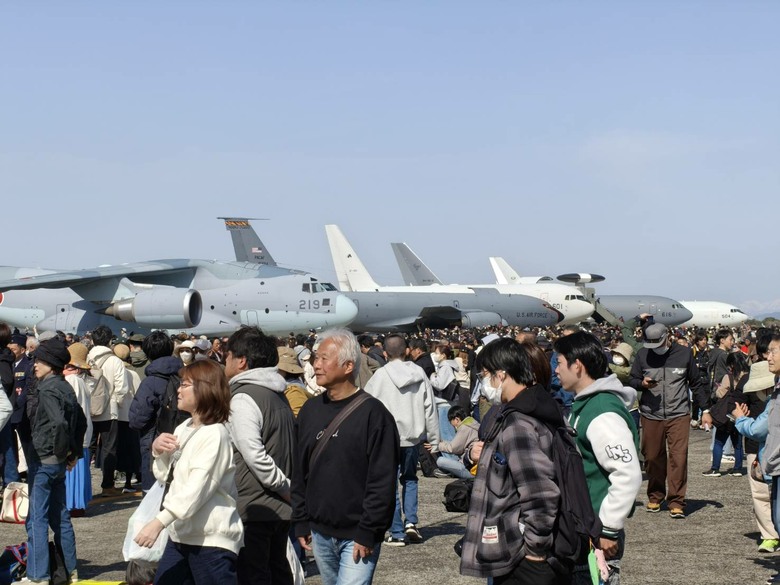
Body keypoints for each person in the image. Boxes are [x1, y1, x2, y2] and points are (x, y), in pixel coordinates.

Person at [292, 328, 399, 585]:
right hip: (319, 532)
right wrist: (301, 520)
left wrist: (368, 530)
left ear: (348, 365)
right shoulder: (310, 410)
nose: (316, 365)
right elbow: (299, 470)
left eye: (323, 358)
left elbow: (382, 480)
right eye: (315, 358)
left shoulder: (374, 415)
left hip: (357, 534)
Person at [460, 337, 569, 585]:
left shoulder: (518, 423)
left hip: (519, 553)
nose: (483, 382)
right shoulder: (528, 409)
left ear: (501, 374)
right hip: (511, 547)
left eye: (485, 374)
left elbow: (539, 492)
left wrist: (535, 549)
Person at [134, 359, 243, 585]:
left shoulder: (215, 434)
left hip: (211, 539)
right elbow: (167, 476)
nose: (178, 389)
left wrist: (159, 522)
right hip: (182, 534)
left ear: (204, 389)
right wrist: (159, 451)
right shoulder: (183, 428)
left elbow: (197, 488)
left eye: (185, 384)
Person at [554, 331, 642, 585]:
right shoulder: (586, 405)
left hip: (597, 532)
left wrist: (609, 528)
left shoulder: (602, 411)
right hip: (586, 527)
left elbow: (627, 474)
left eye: (559, 363)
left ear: (577, 365)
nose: (556, 370)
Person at [223, 326, 295, 585]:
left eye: (228, 355)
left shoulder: (242, 398)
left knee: (255, 574)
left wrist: (284, 487)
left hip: (254, 503)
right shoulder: (277, 393)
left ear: (241, 361)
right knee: (277, 570)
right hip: (278, 505)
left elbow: (255, 455)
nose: (225, 361)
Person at [629, 323, 711, 518]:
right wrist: (642, 383)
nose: (655, 348)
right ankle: (655, 496)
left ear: (668, 337)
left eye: (658, 343)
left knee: (678, 458)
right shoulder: (642, 355)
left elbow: (696, 383)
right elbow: (632, 379)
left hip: (679, 414)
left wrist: (706, 409)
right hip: (651, 414)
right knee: (652, 457)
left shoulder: (684, 354)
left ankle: (676, 501)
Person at [365, 334, 440, 546]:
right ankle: (411, 523)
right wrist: (433, 439)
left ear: (385, 353)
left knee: (389, 484)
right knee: (410, 478)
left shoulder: (379, 376)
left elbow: (368, 406)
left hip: (388, 438)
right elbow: (430, 407)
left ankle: (396, 531)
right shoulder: (418, 373)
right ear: (406, 350)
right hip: (413, 437)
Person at [25, 338, 85, 584]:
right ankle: (70, 570)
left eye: (39, 360)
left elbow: (60, 423)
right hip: (59, 463)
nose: (35, 365)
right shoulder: (65, 385)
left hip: (45, 460)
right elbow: (80, 421)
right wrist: (73, 453)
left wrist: (61, 452)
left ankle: (38, 575)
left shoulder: (47, 388)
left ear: (51, 363)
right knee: (60, 516)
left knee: (36, 519)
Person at [129, 331, 183, 492]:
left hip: (154, 441)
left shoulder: (151, 382)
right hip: (182, 438)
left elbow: (137, 419)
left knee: (154, 494)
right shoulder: (184, 376)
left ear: (147, 353)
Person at [87, 325, 131, 497]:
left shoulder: (86, 357)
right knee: (108, 448)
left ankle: (83, 486)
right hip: (109, 411)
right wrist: (115, 403)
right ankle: (107, 485)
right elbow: (122, 387)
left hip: (88, 409)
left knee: (86, 448)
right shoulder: (115, 361)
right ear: (109, 340)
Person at [63, 344, 94, 517]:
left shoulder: (71, 381)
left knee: (72, 469)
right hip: (84, 433)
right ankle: (77, 503)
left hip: (75, 434)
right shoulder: (80, 380)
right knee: (80, 469)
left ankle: (71, 503)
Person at [433, 406, 479, 479]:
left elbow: (452, 448)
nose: (452, 425)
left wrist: (437, 446)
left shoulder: (464, 428)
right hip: (474, 467)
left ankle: (450, 473)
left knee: (440, 461)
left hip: (470, 470)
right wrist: (443, 442)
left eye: (451, 422)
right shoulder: (473, 423)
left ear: (457, 419)